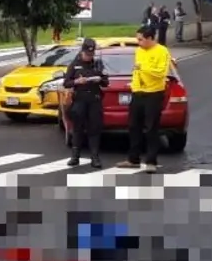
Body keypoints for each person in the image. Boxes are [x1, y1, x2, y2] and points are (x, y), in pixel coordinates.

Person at [120, 26, 170, 173]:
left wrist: (143, 68)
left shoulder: (162, 51)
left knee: (151, 128)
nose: (138, 42)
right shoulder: (139, 51)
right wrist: (134, 84)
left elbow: (161, 73)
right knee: (133, 126)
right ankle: (133, 159)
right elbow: (137, 71)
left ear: (150, 38)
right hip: (138, 93)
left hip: (153, 93)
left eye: (141, 39)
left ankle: (151, 161)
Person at [64, 37, 109, 168]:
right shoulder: (74, 64)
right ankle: (75, 156)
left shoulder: (98, 63)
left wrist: (99, 80)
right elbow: (66, 82)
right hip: (80, 100)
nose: (89, 57)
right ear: (82, 51)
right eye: (87, 54)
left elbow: (106, 82)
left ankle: (94, 157)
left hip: (94, 100)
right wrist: (77, 82)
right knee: (77, 129)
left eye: (91, 54)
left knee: (94, 129)